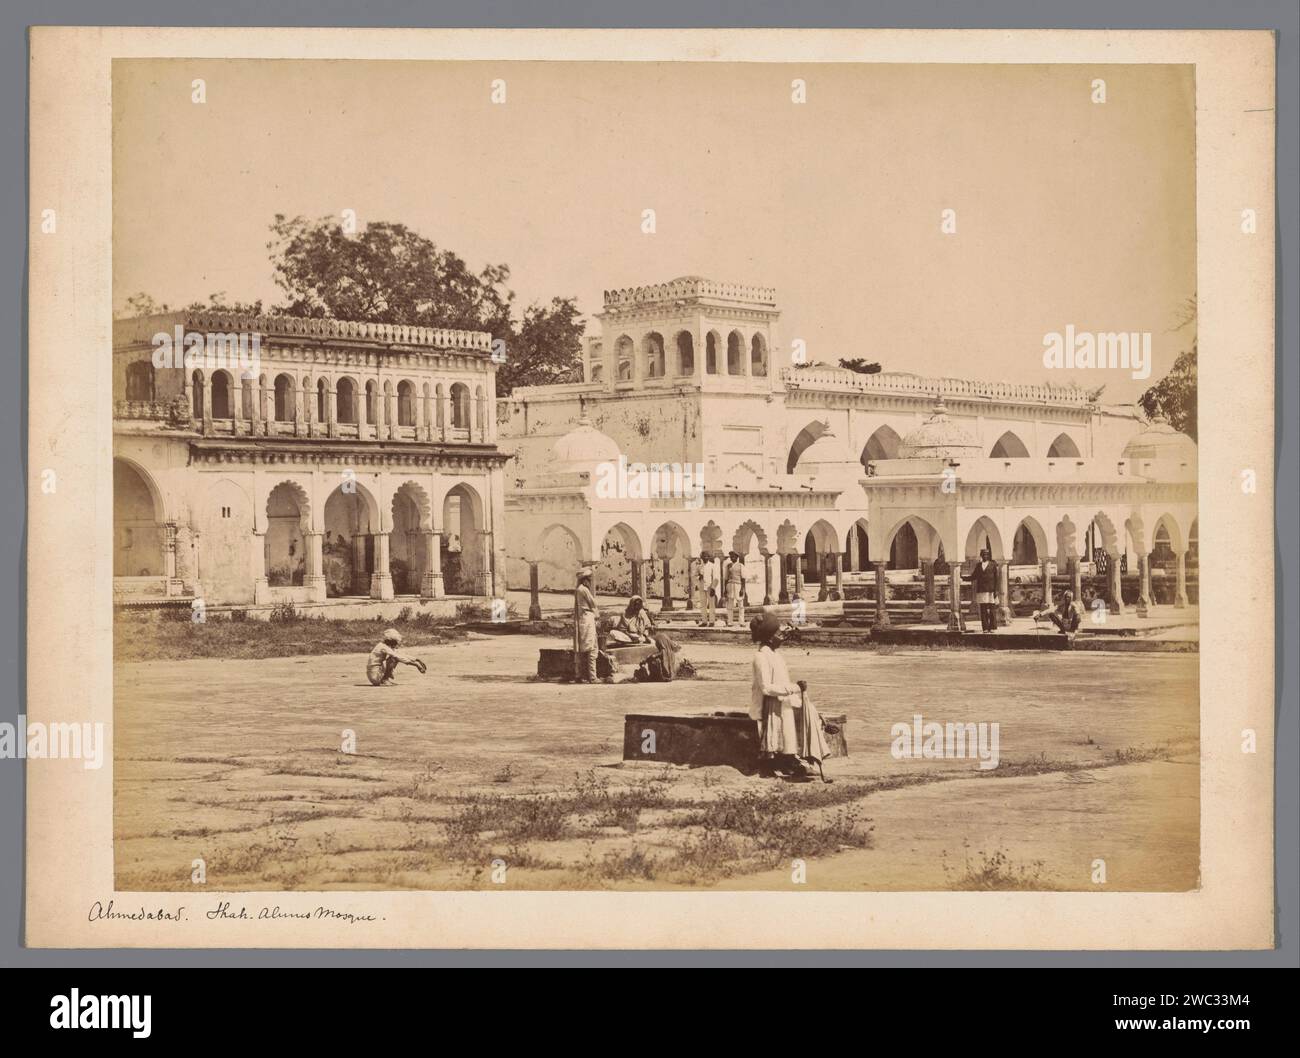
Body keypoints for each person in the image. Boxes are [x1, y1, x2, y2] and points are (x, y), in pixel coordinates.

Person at [750, 612, 832, 782]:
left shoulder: (776, 656)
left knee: (789, 736)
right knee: (776, 738)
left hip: (783, 702)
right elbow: (766, 688)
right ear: (769, 637)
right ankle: (769, 767)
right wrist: (794, 688)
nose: (782, 637)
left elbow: (782, 682)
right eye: (778, 634)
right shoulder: (761, 657)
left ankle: (791, 764)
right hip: (770, 705)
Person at [573, 568, 599, 683]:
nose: (590, 582)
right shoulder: (584, 590)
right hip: (587, 620)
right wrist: (597, 616)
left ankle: (579, 675)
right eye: (589, 579)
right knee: (592, 648)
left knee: (580, 648)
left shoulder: (578, 589)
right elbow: (593, 604)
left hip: (582, 620)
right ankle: (592, 677)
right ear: (585, 580)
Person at [966, 549, 1000, 633]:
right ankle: (985, 628)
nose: (985, 556)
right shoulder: (979, 566)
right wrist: (962, 578)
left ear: (988, 556)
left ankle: (992, 627)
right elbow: (973, 577)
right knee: (983, 609)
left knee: (992, 609)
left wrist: (996, 591)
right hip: (981, 590)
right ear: (981, 555)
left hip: (991, 590)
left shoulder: (993, 565)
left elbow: (997, 579)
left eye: (986, 554)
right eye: (983, 554)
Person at [697, 552, 720, 627]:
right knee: (703, 605)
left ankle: (712, 621)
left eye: (707, 556)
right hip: (702, 587)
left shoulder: (712, 566)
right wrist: (699, 577)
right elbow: (695, 576)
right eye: (703, 556)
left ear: (709, 557)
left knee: (711, 605)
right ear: (701, 557)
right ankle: (704, 621)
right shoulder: (700, 567)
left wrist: (713, 587)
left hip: (710, 587)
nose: (705, 558)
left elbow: (716, 577)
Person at [724, 550, 746, 626]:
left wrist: (742, 589)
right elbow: (726, 578)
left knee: (740, 604)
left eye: (734, 556)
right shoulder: (728, 566)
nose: (732, 558)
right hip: (730, 586)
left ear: (737, 557)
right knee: (730, 605)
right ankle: (730, 622)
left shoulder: (741, 565)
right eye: (731, 557)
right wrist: (725, 589)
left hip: (738, 585)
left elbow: (743, 578)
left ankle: (741, 622)